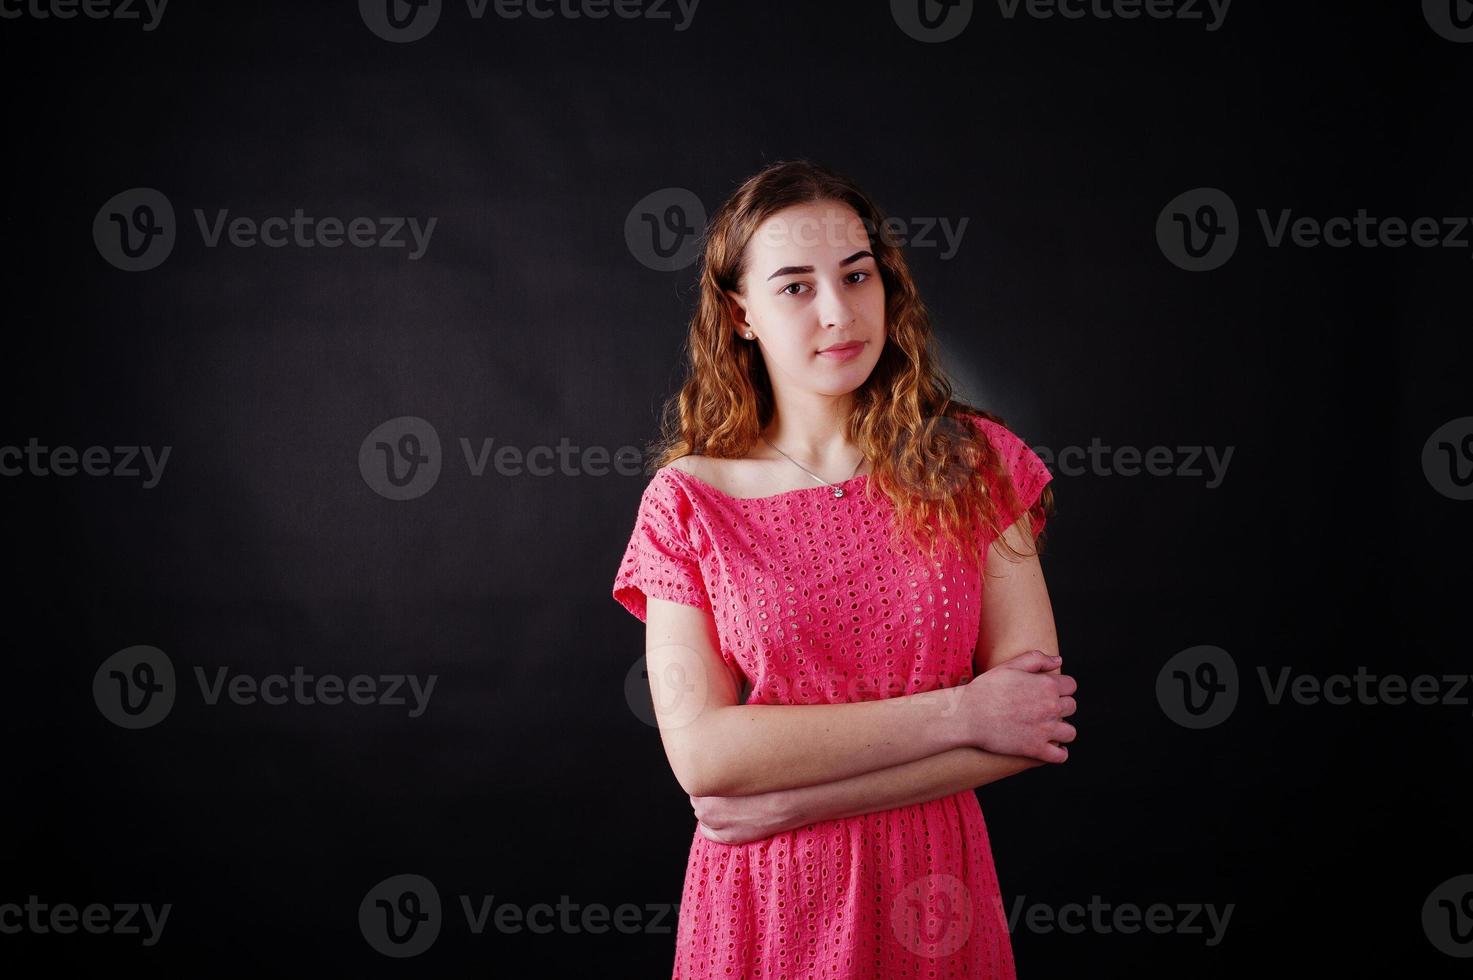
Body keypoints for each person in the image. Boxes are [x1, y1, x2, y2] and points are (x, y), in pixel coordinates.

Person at [611, 159, 1078, 978]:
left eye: (857, 275)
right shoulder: (685, 501)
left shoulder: (977, 467)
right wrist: (964, 713)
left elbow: (1029, 722)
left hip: (934, 890)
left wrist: (795, 799)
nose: (839, 312)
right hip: (766, 904)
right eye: (794, 286)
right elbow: (706, 759)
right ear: (740, 313)